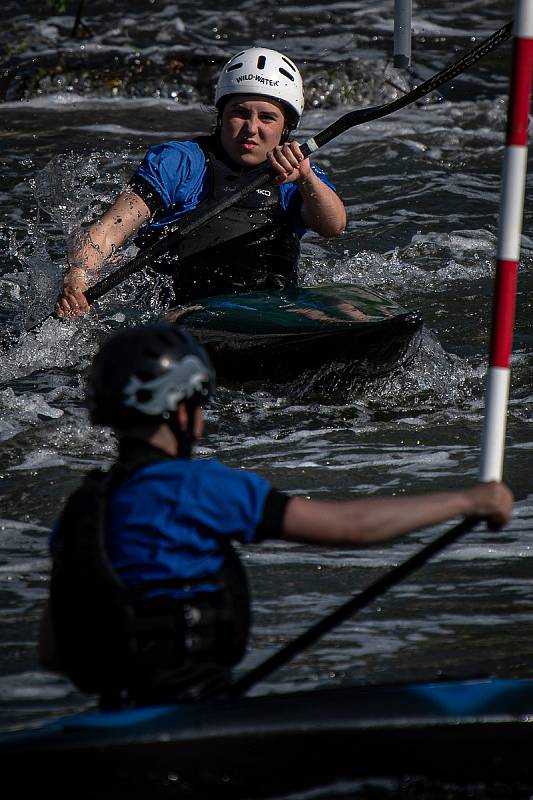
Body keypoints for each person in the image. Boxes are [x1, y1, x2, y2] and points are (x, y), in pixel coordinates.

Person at [38, 322, 513, 710]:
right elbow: (352, 527)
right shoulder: (199, 487)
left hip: (115, 714)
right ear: (182, 413)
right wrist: (469, 501)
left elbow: (55, 653)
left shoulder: (81, 508)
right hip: (196, 709)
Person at [56, 48, 347, 318]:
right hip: (185, 314)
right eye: (240, 112)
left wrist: (306, 179)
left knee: (347, 312)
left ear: (286, 128)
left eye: (267, 118)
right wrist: (78, 276)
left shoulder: (298, 173)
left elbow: (333, 226)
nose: (251, 128)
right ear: (222, 116)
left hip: (270, 311)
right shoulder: (180, 162)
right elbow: (106, 233)